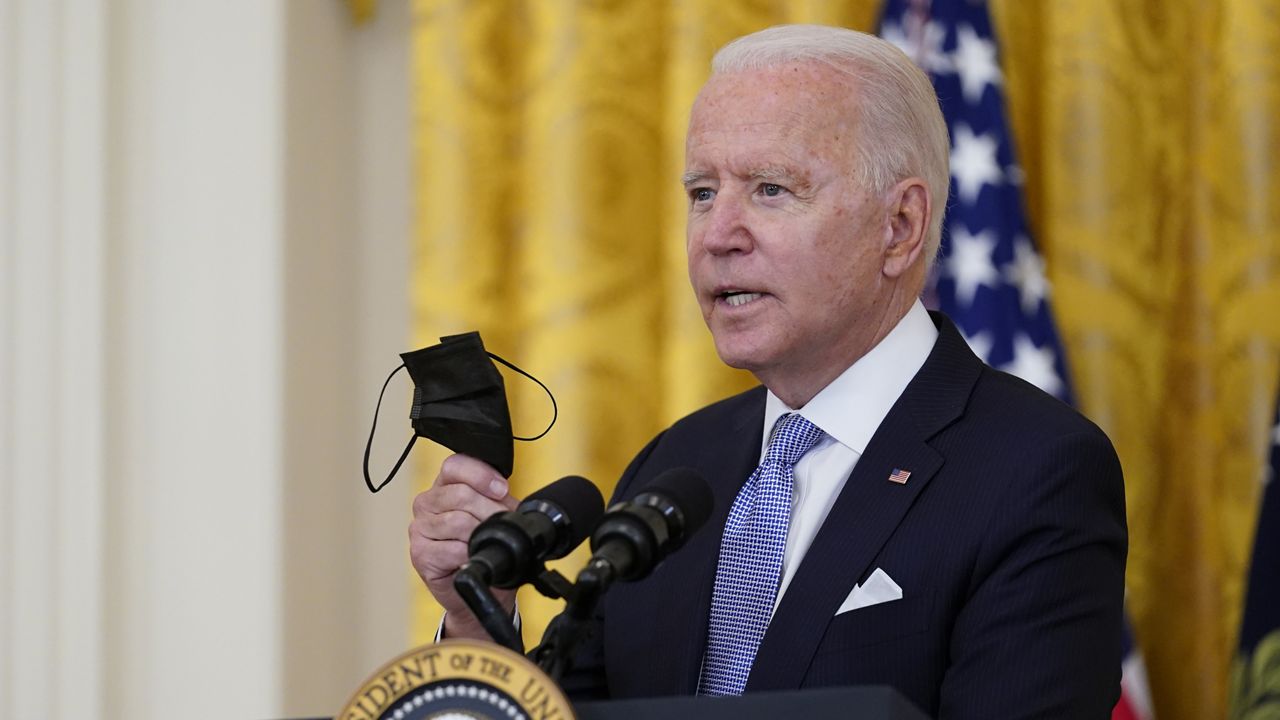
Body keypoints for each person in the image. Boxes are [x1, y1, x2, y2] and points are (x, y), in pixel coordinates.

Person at [409, 24, 1126, 718]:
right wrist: (482, 620)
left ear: (900, 227)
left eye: (771, 190)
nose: (718, 235)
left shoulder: (1034, 470)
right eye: (701, 193)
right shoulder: (674, 470)